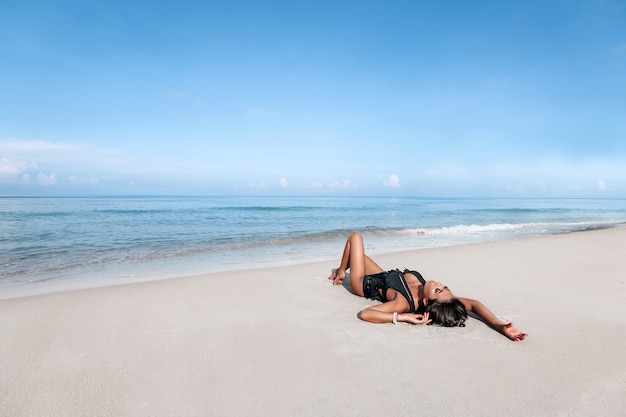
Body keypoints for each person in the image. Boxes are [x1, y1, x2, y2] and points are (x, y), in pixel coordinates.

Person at [328, 232, 527, 341]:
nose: (438, 284)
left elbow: (366, 314)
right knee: (356, 255)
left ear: (426, 301)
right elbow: (475, 305)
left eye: (438, 290)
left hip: (364, 283)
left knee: (355, 239)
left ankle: (342, 272)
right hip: (383, 275)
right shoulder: (443, 300)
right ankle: (340, 270)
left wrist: (403, 317)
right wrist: (501, 327)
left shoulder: (403, 303)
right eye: (444, 286)